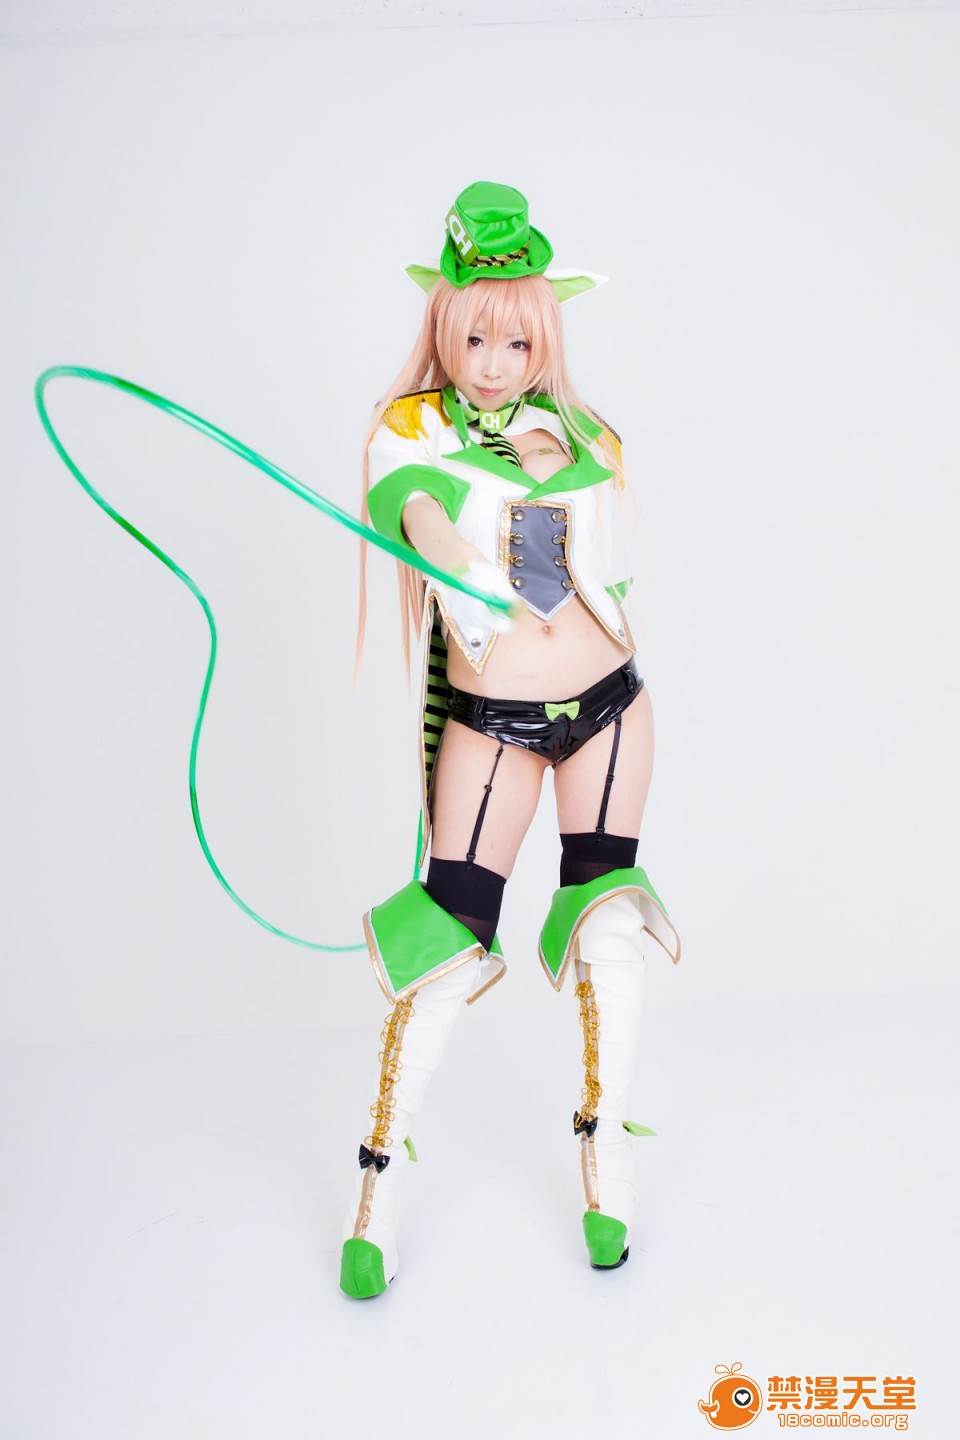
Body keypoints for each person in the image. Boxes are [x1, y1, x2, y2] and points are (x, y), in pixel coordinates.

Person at [340, 181, 682, 1299]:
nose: (493, 364)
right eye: (476, 337)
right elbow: (411, 502)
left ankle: (606, 1162)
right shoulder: (412, 428)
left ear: (546, 337)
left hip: (610, 704)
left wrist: (542, 453)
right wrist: (446, 549)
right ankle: (377, 1193)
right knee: (447, 942)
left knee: (610, 923)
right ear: (443, 323)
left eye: (518, 340)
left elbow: (598, 523)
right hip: (493, 722)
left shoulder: (585, 430)